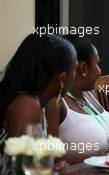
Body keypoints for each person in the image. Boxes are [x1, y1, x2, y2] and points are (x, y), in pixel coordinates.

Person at [0, 34, 77, 173]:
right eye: (75, 69)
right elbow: (23, 171)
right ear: (62, 78)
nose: (75, 75)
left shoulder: (39, 102)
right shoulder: (27, 104)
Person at [46, 35, 109, 164]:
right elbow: (51, 158)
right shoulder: (56, 101)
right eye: (97, 64)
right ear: (82, 68)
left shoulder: (87, 95)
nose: (100, 71)